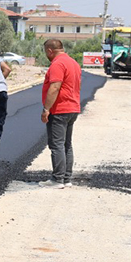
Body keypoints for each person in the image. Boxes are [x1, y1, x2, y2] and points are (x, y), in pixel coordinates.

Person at [40, 38, 82, 189]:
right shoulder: (74, 63)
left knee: (56, 144)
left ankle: (57, 179)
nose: (46, 55)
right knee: (67, 145)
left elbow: (55, 87)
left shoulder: (58, 64)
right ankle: (66, 178)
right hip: (73, 108)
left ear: (50, 50)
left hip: (59, 110)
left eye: (46, 52)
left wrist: (46, 109)